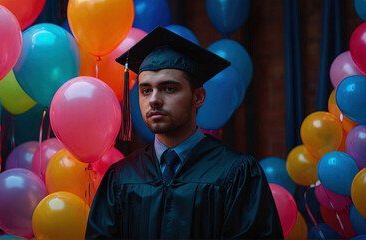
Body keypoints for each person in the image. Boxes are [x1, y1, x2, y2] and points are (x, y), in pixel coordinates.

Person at [85, 26, 283, 239]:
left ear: (198, 97)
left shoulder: (237, 174)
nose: (154, 100)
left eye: (169, 88)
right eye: (146, 90)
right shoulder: (121, 177)